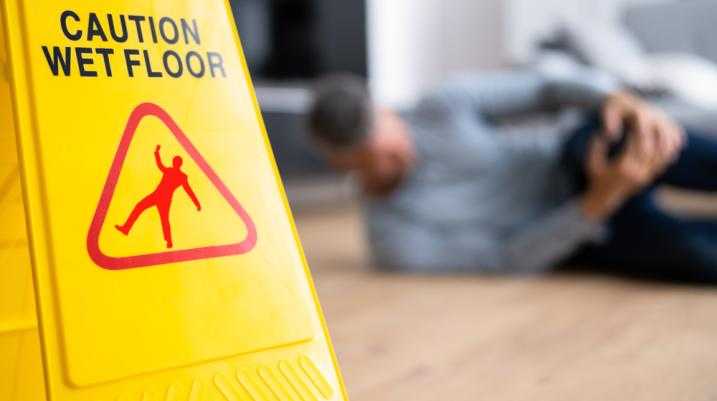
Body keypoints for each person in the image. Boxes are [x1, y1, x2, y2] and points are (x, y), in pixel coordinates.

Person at [307, 70, 717, 283]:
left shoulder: (443, 106)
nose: (403, 154)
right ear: (344, 167)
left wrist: (620, 101)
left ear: (386, 111)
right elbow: (505, 259)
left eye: (392, 136)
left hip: (575, 157)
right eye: (380, 159)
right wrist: (598, 202)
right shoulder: (393, 240)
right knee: (696, 254)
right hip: (575, 232)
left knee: (636, 134)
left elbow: (545, 89)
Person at [116, 145, 201, 248]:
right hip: (157, 195)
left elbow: (189, 191)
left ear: (178, 164)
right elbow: (160, 165)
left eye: (175, 162)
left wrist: (197, 203)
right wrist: (156, 152)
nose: (174, 163)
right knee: (141, 207)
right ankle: (126, 228)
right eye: (174, 161)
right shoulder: (174, 173)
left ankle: (169, 241)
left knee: (163, 219)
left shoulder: (180, 176)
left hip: (163, 199)